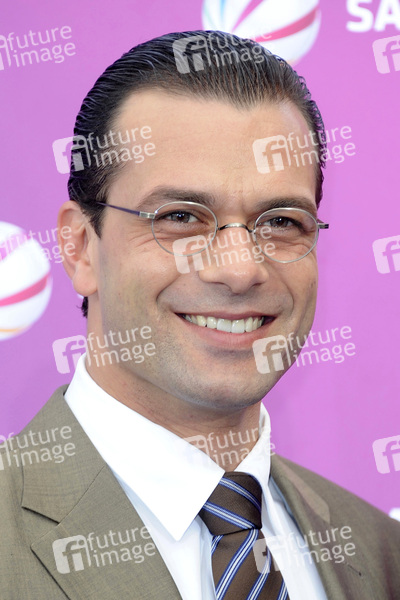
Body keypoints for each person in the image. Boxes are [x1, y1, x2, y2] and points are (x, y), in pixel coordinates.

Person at [1, 30, 399, 600]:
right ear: (81, 248)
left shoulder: (381, 552)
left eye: (281, 221)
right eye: (181, 217)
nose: (240, 270)